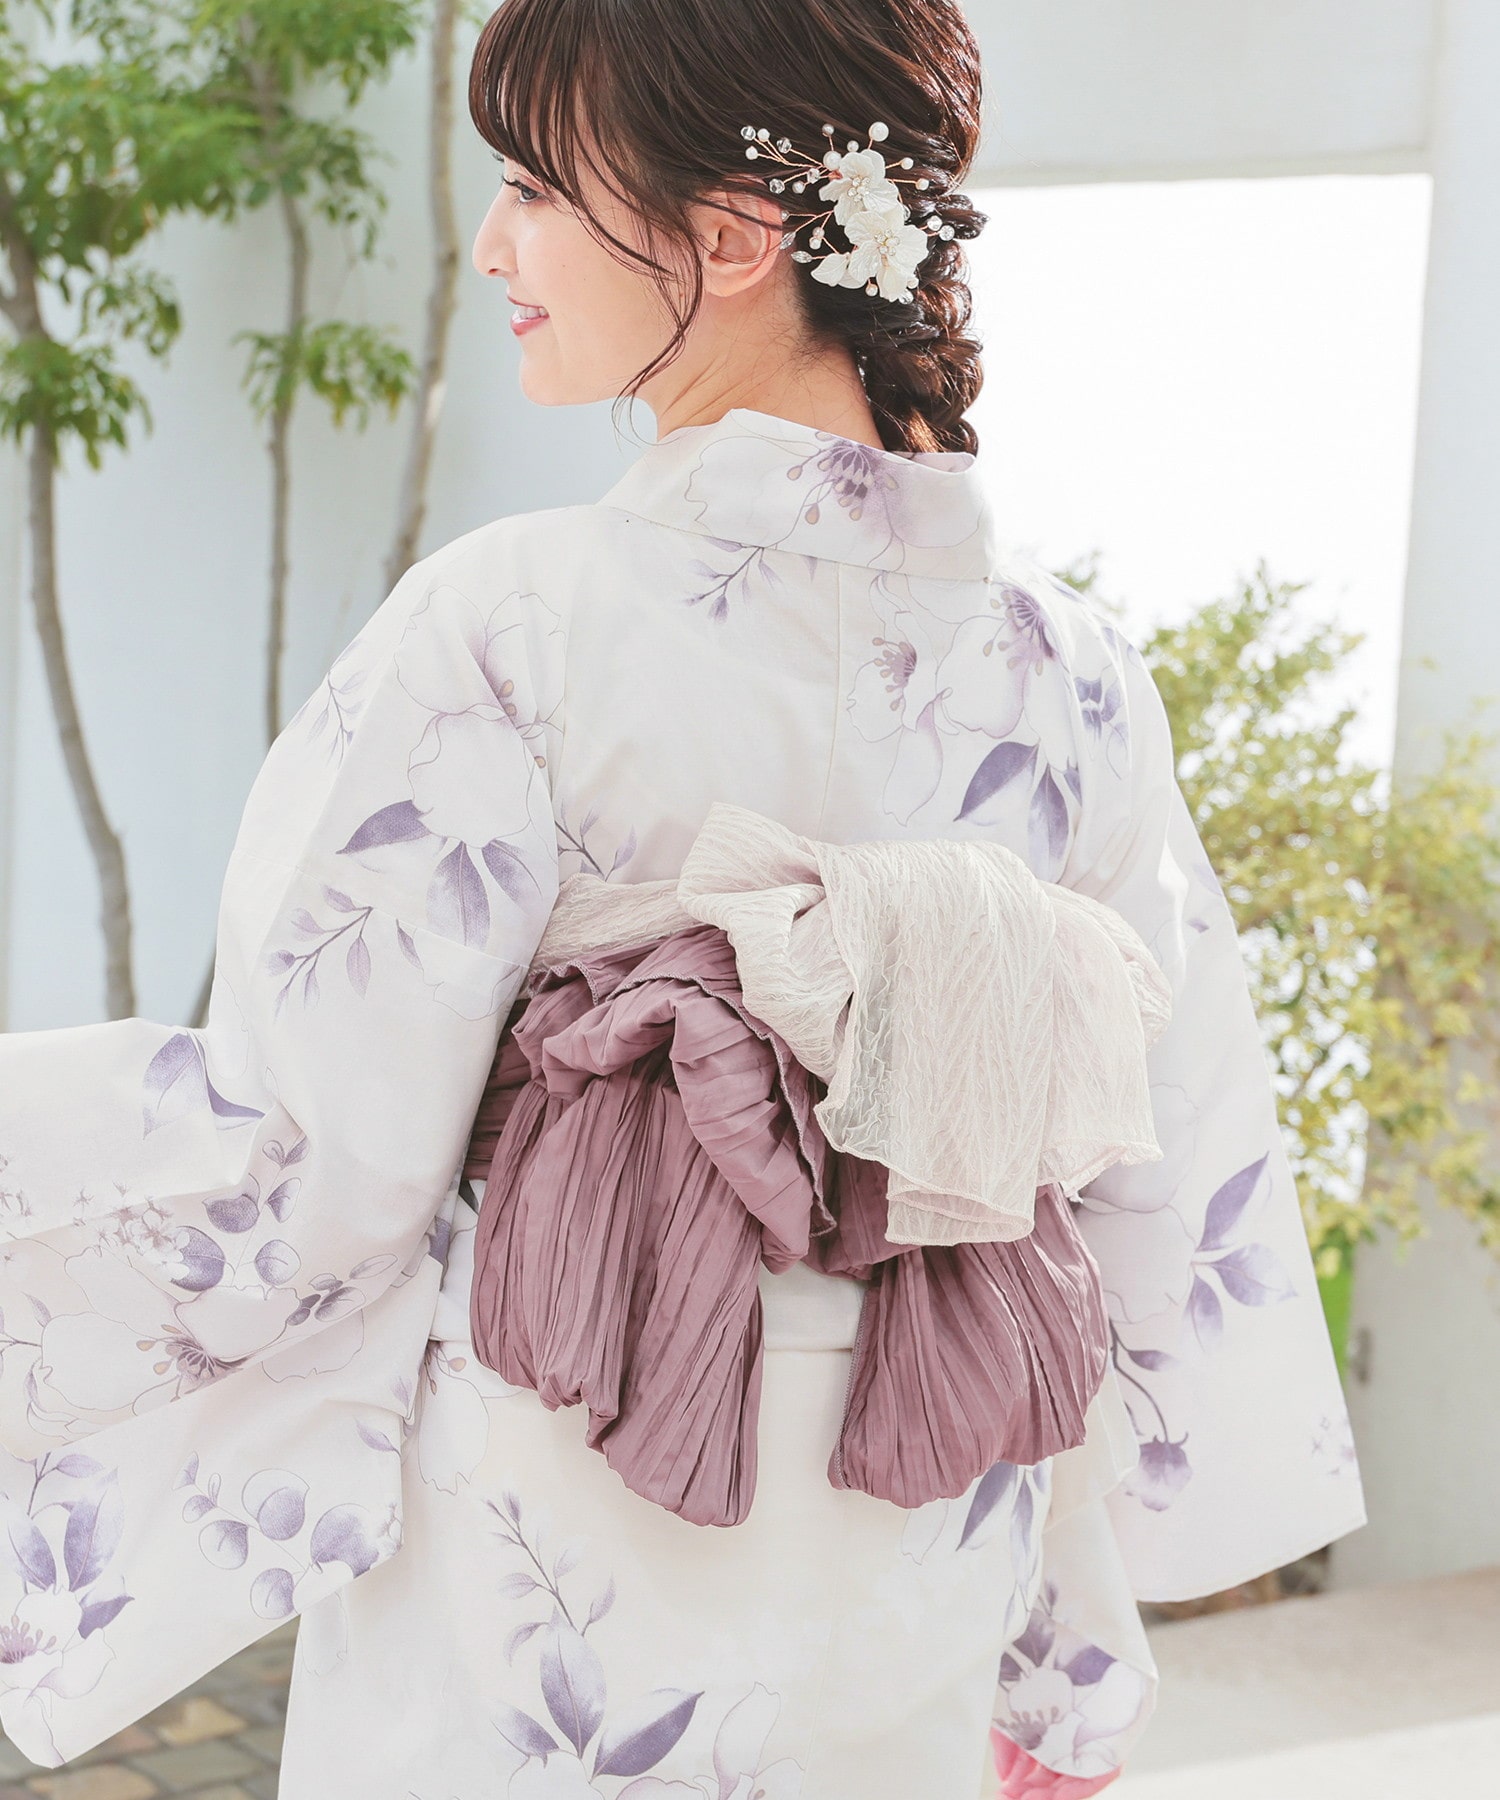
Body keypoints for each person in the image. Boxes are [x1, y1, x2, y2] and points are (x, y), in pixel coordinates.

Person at [0, 0, 1365, 1793]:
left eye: (532, 189)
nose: (493, 248)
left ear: (731, 238)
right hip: (925, 1521)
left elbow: (305, 1171)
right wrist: (1075, 1658)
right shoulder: (1074, 675)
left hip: (557, 1525)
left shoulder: (509, 627)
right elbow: (1142, 1186)